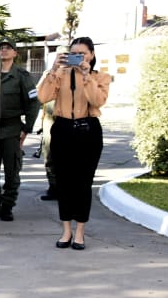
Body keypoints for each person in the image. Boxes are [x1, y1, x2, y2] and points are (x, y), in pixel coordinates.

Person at [34, 36, 111, 250]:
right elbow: (43, 97)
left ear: (91, 55)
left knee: (83, 183)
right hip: (63, 129)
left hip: (88, 131)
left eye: (82, 54)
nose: (78, 57)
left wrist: (86, 76)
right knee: (64, 183)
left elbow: (97, 101)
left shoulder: (100, 77)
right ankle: (66, 230)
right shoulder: (60, 74)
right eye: (74, 54)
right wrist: (53, 70)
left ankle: (80, 232)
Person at [0, 39, 40, 221]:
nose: (4, 51)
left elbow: (33, 104)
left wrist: (27, 128)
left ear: (15, 53)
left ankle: (7, 207)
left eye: (8, 48)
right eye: (1, 48)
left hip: (12, 130)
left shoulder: (21, 76)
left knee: (11, 172)